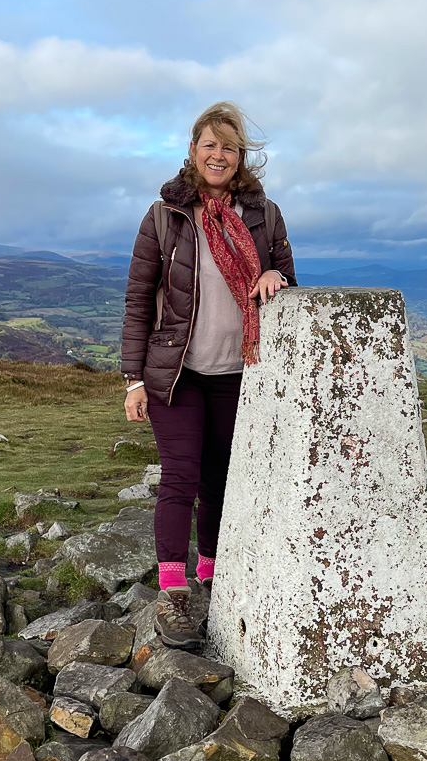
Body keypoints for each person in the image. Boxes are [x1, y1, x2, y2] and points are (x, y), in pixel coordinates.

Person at [120, 101, 297, 647]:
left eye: (228, 146)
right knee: (180, 477)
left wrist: (271, 272)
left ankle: (214, 577)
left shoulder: (263, 214)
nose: (218, 155)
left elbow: (289, 281)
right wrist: (132, 378)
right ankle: (172, 596)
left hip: (238, 372)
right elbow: (139, 298)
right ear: (193, 151)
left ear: (241, 155)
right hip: (175, 373)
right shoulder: (165, 216)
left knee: (221, 481)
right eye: (209, 145)